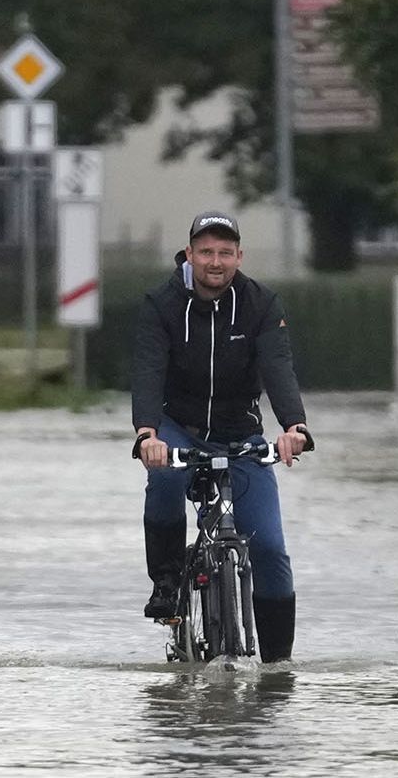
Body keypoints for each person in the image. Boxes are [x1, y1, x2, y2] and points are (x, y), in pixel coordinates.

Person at [131, 210, 312, 662]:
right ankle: (167, 583)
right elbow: (148, 370)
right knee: (165, 478)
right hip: (179, 427)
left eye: (225, 253)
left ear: (239, 257)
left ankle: (278, 666)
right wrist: (148, 433)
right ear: (190, 254)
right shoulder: (161, 303)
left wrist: (294, 426)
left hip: (240, 433)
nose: (216, 261)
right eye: (207, 252)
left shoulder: (261, 304)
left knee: (269, 547)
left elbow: (279, 368)